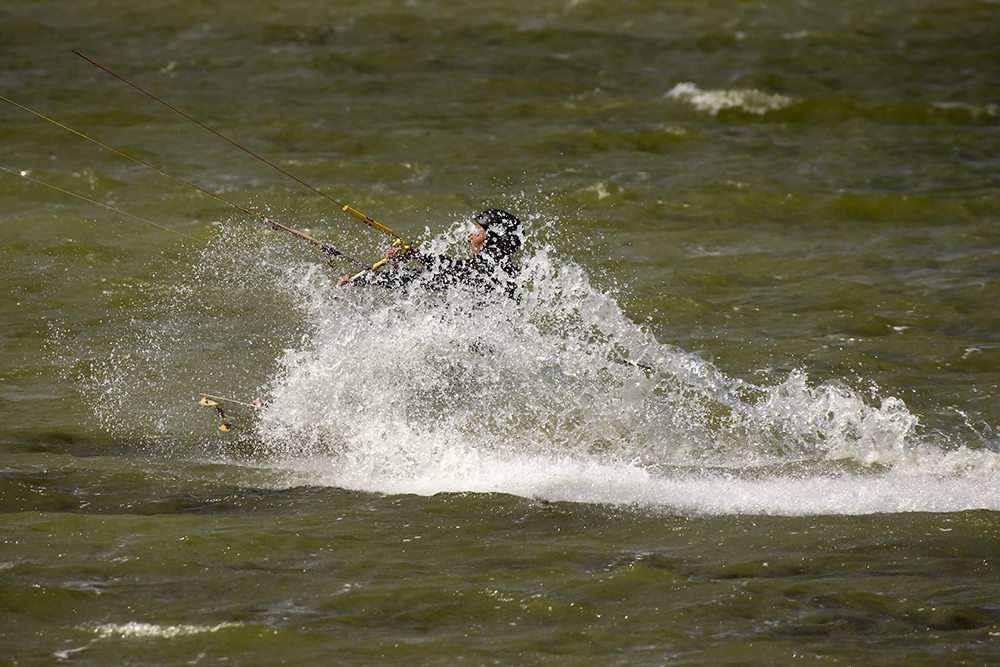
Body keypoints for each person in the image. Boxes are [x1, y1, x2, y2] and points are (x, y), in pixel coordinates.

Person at [337, 209, 522, 299]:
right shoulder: (503, 269)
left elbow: (454, 272)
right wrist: (377, 278)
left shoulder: (497, 273)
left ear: (492, 239)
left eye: (476, 234)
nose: (469, 239)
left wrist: (416, 254)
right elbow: (430, 278)